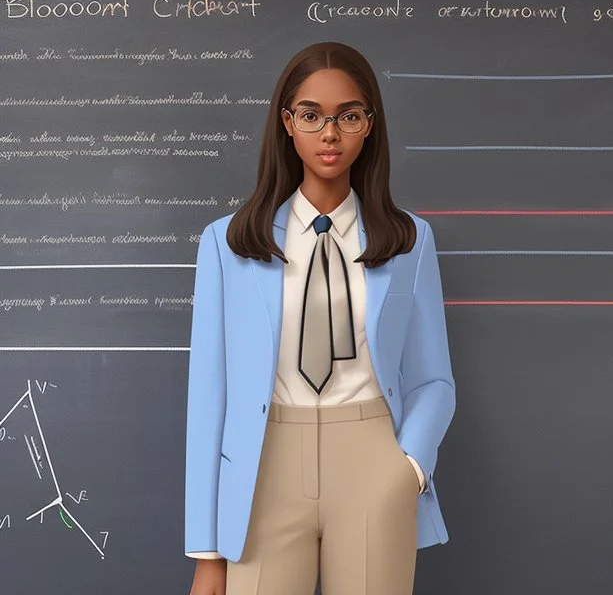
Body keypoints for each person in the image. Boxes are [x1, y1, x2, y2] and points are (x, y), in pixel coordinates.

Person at [184, 41, 456, 595]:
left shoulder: (410, 242)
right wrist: (207, 550)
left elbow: (434, 380)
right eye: (311, 116)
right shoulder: (227, 244)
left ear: (369, 125)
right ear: (288, 123)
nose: (329, 134)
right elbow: (209, 398)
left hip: (371, 462)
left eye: (348, 116)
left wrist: (407, 472)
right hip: (263, 467)